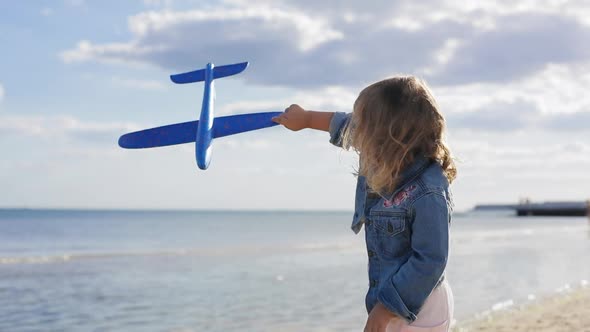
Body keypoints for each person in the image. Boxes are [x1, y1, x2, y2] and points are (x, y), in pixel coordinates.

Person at [271, 76, 457, 332]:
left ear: (388, 136)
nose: (356, 136)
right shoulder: (387, 149)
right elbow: (342, 124)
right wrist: (306, 119)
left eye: (363, 128)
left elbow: (430, 260)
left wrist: (385, 309)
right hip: (392, 298)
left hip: (421, 304)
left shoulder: (428, 191)